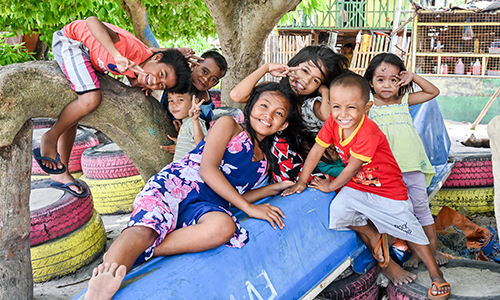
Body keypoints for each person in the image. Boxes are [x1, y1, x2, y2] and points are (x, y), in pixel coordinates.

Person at [84, 82, 299, 300]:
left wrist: (274, 188)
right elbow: (207, 170)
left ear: (282, 125)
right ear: (251, 105)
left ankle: (147, 248)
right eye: (264, 105)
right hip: (177, 184)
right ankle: (103, 282)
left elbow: (235, 196)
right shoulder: (229, 125)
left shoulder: (264, 162)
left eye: (278, 113)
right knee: (146, 229)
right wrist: (250, 209)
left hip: (207, 205)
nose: (268, 115)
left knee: (223, 227)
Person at [282, 73, 451, 300]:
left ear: (367, 106)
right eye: (337, 107)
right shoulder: (333, 122)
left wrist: (330, 187)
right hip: (357, 187)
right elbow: (316, 151)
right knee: (340, 214)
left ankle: (436, 274)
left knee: (410, 231)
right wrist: (302, 181)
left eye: (351, 107)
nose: (343, 114)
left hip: (388, 191)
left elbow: (351, 168)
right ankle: (373, 233)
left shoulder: (368, 132)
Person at [32, 17, 191, 197]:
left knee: (77, 112)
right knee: (91, 98)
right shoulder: (129, 49)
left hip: (88, 55)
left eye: (161, 85)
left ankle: (61, 174)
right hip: (72, 42)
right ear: (157, 58)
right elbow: (91, 21)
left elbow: (149, 58)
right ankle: (49, 138)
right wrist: (115, 54)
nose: (155, 81)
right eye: (161, 74)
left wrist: (142, 83)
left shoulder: (142, 66)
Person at [363, 52, 446, 268]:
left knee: (420, 209)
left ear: (401, 82)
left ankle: (432, 251)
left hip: (411, 167)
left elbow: (433, 91)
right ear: (370, 82)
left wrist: (414, 76)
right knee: (401, 212)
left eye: (394, 79)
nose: (387, 85)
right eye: (380, 80)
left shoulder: (404, 101)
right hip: (384, 172)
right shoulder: (368, 106)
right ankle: (413, 252)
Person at [231, 45, 349, 183]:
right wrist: (266, 68)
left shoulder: (308, 105)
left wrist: (324, 91)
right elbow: (237, 95)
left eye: (316, 80)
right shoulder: (271, 93)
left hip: (293, 171)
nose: (306, 80)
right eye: (304, 70)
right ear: (293, 64)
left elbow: (327, 116)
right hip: (256, 166)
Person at [160, 50, 228, 154]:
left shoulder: (204, 107)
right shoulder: (176, 80)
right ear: (194, 65)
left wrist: (184, 145)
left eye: (213, 79)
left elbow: (202, 138)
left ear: (216, 84)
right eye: (204, 71)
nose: (205, 79)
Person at [168, 85, 208, 161]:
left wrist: (195, 121)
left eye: (180, 100)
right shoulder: (187, 122)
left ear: (195, 102)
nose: (174, 105)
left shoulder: (194, 122)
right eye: (170, 101)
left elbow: (202, 146)